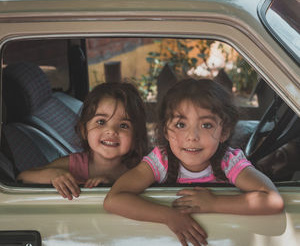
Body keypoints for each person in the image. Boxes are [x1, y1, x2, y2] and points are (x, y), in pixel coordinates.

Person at [104, 78, 284, 246]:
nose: (192, 137)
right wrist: (169, 216)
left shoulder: (228, 162)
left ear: (224, 132)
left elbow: (273, 200)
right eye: (181, 125)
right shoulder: (161, 161)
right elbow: (113, 199)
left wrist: (214, 203)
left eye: (206, 125)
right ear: (165, 131)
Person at [17, 82, 148, 200]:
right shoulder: (74, 165)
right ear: (84, 130)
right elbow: (23, 177)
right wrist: (54, 175)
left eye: (124, 125)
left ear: (136, 136)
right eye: (101, 122)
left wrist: (112, 184)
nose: (111, 131)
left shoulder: (142, 167)